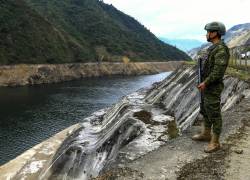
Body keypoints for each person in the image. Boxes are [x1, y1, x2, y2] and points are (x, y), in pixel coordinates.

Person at [192, 22, 230, 153]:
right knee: (206, 110)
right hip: (207, 86)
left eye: (208, 32)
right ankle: (206, 134)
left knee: (214, 113)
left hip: (212, 87)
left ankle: (215, 142)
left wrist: (205, 82)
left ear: (214, 33)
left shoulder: (221, 49)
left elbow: (217, 71)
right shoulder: (212, 48)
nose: (207, 34)